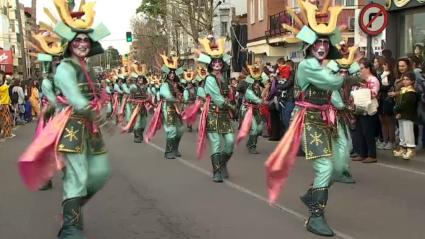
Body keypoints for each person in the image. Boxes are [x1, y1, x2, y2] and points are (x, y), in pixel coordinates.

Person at [18, 1, 112, 238]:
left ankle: (73, 205)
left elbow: (98, 95)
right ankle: (71, 228)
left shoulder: (88, 69)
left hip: (90, 127)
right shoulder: (64, 69)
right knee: (76, 176)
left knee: (100, 174)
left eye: (85, 40)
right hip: (71, 125)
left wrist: (104, 108)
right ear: (69, 44)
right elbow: (73, 96)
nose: (82, 44)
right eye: (77, 40)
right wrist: (92, 112)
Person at [265, 1, 346, 236]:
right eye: (317, 41)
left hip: (327, 119)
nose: (321, 46)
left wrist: (345, 64)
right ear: (309, 45)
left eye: (324, 41)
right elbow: (334, 81)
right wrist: (346, 69)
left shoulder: (326, 63)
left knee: (339, 168)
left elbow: (341, 75)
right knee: (325, 167)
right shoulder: (308, 65)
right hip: (309, 120)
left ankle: (312, 194)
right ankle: (315, 216)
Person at [196, 36, 235, 182]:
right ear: (210, 64)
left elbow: (229, 95)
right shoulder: (210, 79)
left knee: (230, 142)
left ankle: (223, 163)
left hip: (224, 115)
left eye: (219, 61)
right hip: (213, 113)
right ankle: (217, 171)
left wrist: (233, 102)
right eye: (214, 62)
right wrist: (231, 106)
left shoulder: (224, 78)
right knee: (217, 142)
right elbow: (218, 99)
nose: (217, 64)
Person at [352, 60, 380, 163]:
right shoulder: (361, 79)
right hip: (360, 108)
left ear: (368, 68)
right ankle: (362, 153)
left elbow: (374, 94)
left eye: (362, 68)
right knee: (360, 132)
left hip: (369, 109)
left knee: (368, 132)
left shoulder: (373, 80)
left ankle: (372, 155)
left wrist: (365, 88)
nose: (360, 70)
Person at [237, 64, 269, 154]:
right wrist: (261, 101)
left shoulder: (258, 82)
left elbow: (266, 83)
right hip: (247, 109)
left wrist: (265, 88)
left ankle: (249, 143)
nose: (257, 83)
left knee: (259, 128)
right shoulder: (246, 83)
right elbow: (249, 94)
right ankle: (252, 146)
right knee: (254, 128)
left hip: (255, 109)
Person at [393, 72, 418, 159]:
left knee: (408, 132)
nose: (405, 81)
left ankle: (410, 149)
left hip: (408, 115)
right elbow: (399, 102)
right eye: (404, 79)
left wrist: (397, 110)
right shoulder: (403, 90)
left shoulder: (411, 92)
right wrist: (397, 112)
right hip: (401, 115)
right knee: (402, 132)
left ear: (412, 81)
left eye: (407, 79)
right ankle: (403, 148)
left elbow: (406, 104)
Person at [377, 58, 397, 150]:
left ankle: (391, 141)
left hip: (389, 100)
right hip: (380, 100)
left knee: (390, 121)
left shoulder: (393, 76)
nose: (383, 66)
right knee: (382, 121)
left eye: (385, 64)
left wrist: (381, 87)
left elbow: (389, 86)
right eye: (383, 64)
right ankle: (385, 141)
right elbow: (378, 86)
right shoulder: (380, 75)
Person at [0, 71, 13, 140]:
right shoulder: (4, 87)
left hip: (2, 104)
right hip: (4, 104)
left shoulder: (2, 87)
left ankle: (4, 133)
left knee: (3, 120)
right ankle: (7, 133)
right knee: (7, 120)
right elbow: (9, 83)